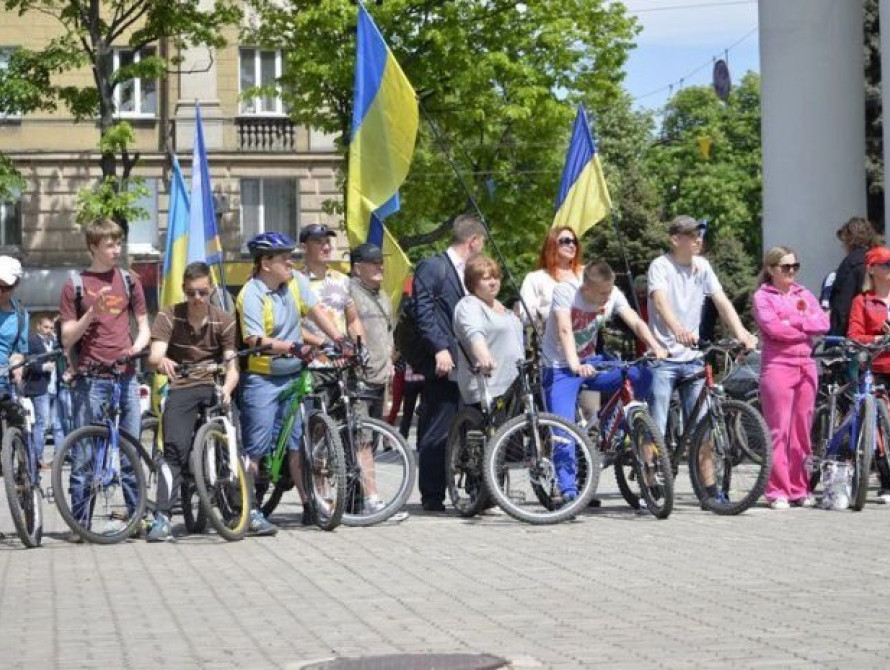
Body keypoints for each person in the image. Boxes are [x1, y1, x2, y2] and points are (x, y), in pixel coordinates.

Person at [236, 232, 346, 531]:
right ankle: (249, 509)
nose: (290, 261)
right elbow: (253, 338)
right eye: (284, 257)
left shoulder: (295, 281)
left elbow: (316, 311)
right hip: (263, 378)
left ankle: (309, 505)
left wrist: (338, 337)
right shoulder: (252, 293)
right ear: (265, 263)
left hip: (294, 374)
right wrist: (292, 346)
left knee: (298, 443)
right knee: (256, 447)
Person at [646, 215, 757, 505]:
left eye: (700, 235)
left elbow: (721, 301)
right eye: (692, 235)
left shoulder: (703, 267)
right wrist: (677, 330)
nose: (698, 239)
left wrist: (742, 332)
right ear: (675, 239)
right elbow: (659, 301)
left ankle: (709, 489)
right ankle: (650, 480)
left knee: (703, 428)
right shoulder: (661, 266)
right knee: (656, 423)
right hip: (665, 357)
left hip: (693, 357)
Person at [542, 260, 666, 501]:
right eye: (601, 294)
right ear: (586, 288)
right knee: (564, 430)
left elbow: (635, 321)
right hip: (560, 368)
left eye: (609, 292)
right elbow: (565, 329)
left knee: (641, 373)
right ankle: (568, 489)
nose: (607, 298)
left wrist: (655, 346)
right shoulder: (566, 291)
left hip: (592, 363)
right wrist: (574, 363)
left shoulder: (611, 293)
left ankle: (617, 423)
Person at [59, 219, 150, 541]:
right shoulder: (76, 284)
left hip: (125, 376)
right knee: (83, 454)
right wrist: (91, 313)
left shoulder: (129, 280)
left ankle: (138, 518)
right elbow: (67, 338)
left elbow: (143, 323)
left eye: (118, 243)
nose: (116, 250)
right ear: (93, 247)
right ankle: (80, 524)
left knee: (130, 452)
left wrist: (136, 348)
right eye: (109, 245)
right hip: (91, 378)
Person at [145, 262, 239, 541]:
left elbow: (232, 365)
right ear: (184, 291)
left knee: (233, 445)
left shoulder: (224, 319)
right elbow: (154, 355)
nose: (197, 299)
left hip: (213, 385)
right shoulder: (169, 315)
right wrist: (161, 360)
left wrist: (229, 388)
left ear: (211, 289)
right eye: (190, 293)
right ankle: (162, 517)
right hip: (183, 385)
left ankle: (242, 510)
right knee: (173, 449)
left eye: (202, 292)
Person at [413, 213, 486, 512]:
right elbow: (424, 310)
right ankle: (432, 495)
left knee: (471, 427)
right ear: (473, 241)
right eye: (481, 245)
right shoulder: (435, 266)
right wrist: (439, 349)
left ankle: (474, 489)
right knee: (438, 426)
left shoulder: (471, 274)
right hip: (444, 361)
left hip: (470, 364)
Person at [752, 246, 829, 510]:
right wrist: (802, 326)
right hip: (777, 366)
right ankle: (777, 490)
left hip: (806, 365)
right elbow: (773, 329)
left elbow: (822, 324)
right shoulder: (763, 296)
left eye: (795, 266)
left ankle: (800, 487)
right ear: (771, 269)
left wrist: (793, 324)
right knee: (779, 430)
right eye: (785, 267)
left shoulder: (803, 293)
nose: (791, 271)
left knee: (802, 430)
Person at [349, 242, 397, 514]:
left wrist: (390, 362)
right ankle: (372, 499)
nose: (380, 266)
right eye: (373, 262)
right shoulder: (350, 294)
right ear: (357, 267)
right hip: (358, 379)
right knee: (362, 439)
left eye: (381, 261)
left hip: (379, 379)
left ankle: (357, 499)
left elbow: (388, 335)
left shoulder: (384, 298)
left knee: (371, 439)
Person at [846, 245, 890, 503]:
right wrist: (878, 337)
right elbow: (853, 336)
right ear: (872, 269)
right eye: (886, 264)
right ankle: (886, 480)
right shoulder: (862, 301)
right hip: (878, 368)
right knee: (881, 428)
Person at [453, 256, 524, 406]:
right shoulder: (469, 305)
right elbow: (474, 333)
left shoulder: (501, 306)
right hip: (490, 387)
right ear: (472, 283)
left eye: (496, 277)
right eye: (486, 279)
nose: (493, 283)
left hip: (515, 385)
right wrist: (484, 356)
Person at [298, 223, 365, 347]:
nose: (327, 247)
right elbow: (290, 327)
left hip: (343, 359)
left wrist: (362, 347)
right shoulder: (294, 281)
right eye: (319, 242)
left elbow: (353, 320)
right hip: (309, 361)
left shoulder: (342, 279)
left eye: (328, 242)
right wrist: (324, 344)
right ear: (304, 247)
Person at [518, 226, 583, 333]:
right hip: (551, 343)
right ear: (552, 244)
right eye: (566, 241)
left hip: (588, 344)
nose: (572, 245)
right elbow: (524, 315)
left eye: (574, 241)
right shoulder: (535, 278)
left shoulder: (586, 274)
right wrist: (551, 313)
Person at [24, 314, 64, 468]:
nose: (49, 330)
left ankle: (58, 458)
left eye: (51, 328)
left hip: (54, 387)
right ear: (38, 327)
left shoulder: (54, 342)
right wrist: (43, 367)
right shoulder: (33, 341)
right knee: (42, 424)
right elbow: (29, 362)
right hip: (40, 388)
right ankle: (36, 460)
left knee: (57, 424)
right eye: (46, 327)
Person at [829, 216, 879, 336]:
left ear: (849, 239)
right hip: (878, 332)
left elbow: (842, 306)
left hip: (856, 334)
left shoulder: (851, 263)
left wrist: (836, 337)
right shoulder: (878, 261)